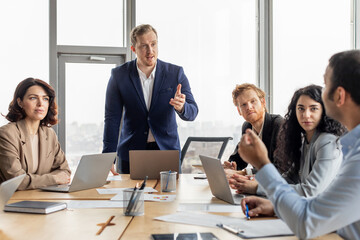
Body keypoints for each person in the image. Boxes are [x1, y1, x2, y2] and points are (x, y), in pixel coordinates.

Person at [239, 50, 360, 239]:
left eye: (326, 84)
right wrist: (276, 207)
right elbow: (328, 212)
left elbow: (308, 222)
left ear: (339, 96)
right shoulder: (351, 148)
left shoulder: (352, 155)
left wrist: (263, 164)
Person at [102, 24, 198, 174]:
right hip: (131, 152)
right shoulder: (118, 76)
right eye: (144, 46)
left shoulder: (175, 73)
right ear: (134, 49)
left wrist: (182, 107)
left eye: (153, 44)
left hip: (166, 152)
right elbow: (112, 119)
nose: (150, 51)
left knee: (169, 196)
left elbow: (193, 112)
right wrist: (107, 157)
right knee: (129, 196)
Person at [229, 85, 345, 196]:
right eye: (300, 109)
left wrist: (257, 188)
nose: (306, 115)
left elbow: (309, 191)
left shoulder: (328, 142)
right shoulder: (305, 139)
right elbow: (290, 178)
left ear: (324, 111)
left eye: (313, 108)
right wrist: (257, 184)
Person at [0, 78, 71, 190]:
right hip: (12, 202)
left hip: (42, 198)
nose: (40, 104)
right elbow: (16, 181)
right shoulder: (7, 134)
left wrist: (34, 180)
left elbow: (65, 171)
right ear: (20, 102)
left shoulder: (49, 134)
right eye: (33, 98)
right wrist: (54, 179)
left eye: (45, 99)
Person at [224, 83, 283, 174]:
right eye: (243, 105)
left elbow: (280, 167)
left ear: (263, 102)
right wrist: (232, 165)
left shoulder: (278, 125)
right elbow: (239, 158)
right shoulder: (247, 127)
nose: (249, 107)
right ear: (239, 111)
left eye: (253, 101)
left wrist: (245, 172)